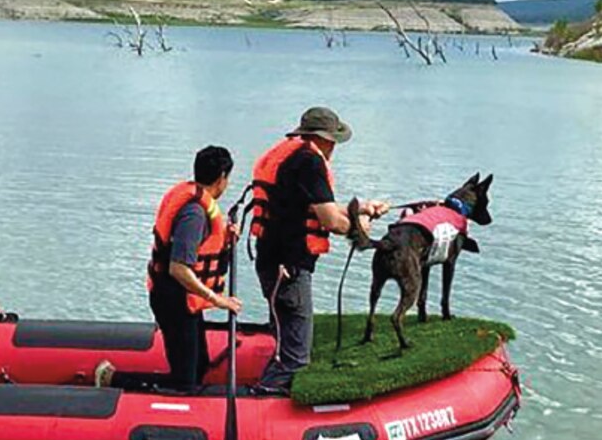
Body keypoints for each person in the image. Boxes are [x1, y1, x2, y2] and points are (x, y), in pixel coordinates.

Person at [249, 107, 389, 394]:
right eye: (334, 139)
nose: (335, 146)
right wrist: (359, 226)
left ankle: (262, 396)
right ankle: (263, 402)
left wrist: (361, 207)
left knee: (286, 339)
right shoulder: (311, 163)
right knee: (296, 358)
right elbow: (331, 221)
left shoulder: (288, 155)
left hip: (271, 262)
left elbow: (313, 205)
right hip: (290, 268)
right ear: (324, 138)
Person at [96, 146, 242, 391]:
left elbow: (200, 249)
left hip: (186, 299)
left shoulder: (197, 205)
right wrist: (217, 299)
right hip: (173, 299)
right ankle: (111, 378)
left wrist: (227, 240)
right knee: (184, 382)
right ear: (222, 178)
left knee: (199, 367)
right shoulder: (194, 214)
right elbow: (179, 268)